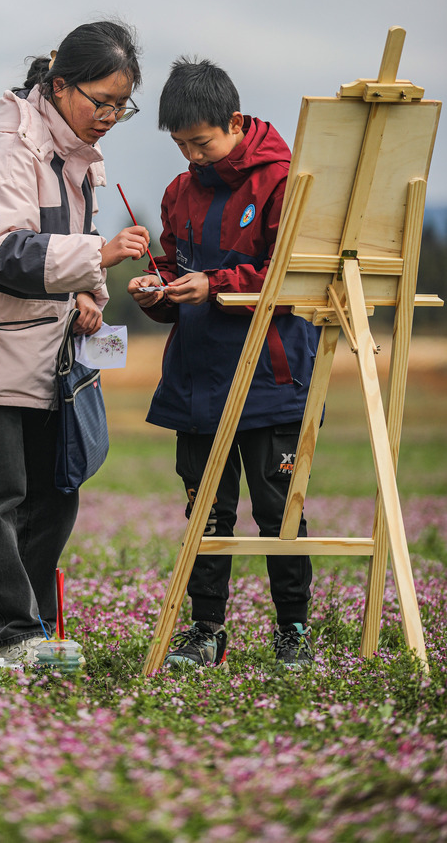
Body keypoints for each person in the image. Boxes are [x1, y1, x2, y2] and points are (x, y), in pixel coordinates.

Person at [0, 20, 151, 664]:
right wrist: (97, 255)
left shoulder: (81, 158)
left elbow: (60, 263)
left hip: (43, 350)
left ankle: (37, 626)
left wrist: (88, 298)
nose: (109, 116)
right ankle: (15, 635)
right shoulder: (10, 149)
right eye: (100, 101)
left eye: (120, 106)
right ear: (61, 84)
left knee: (57, 492)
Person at [128, 57, 319, 670]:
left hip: (270, 374)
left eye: (201, 142)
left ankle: (292, 631)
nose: (192, 156)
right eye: (181, 144)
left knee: (277, 507)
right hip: (196, 378)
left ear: (234, 121)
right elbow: (178, 272)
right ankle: (205, 632)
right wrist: (157, 289)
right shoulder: (177, 194)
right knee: (205, 509)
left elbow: (292, 279)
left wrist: (213, 284)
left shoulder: (285, 182)